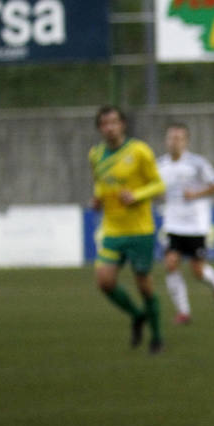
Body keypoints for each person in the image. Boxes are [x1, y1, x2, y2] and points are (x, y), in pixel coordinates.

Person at [88, 105, 166, 354]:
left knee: (144, 285)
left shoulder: (139, 151)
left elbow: (158, 185)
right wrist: (97, 199)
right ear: (100, 128)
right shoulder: (95, 155)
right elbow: (100, 184)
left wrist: (137, 195)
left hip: (140, 229)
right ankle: (137, 315)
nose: (109, 127)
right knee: (104, 281)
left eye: (114, 122)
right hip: (112, 229)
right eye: (104, 123)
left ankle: (157, 337)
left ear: (123, 124)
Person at [157, 123, 214, 325]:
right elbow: (155, 191)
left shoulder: (198, 164)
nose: (174, 142)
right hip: (172, 224)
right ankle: (183, 312)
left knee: (197, 271)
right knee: (171, 264)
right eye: (171, 138)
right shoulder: (159, 165)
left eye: (179, 138)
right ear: (166, 141)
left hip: (196, 224)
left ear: (186, 141)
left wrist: (196, 194)